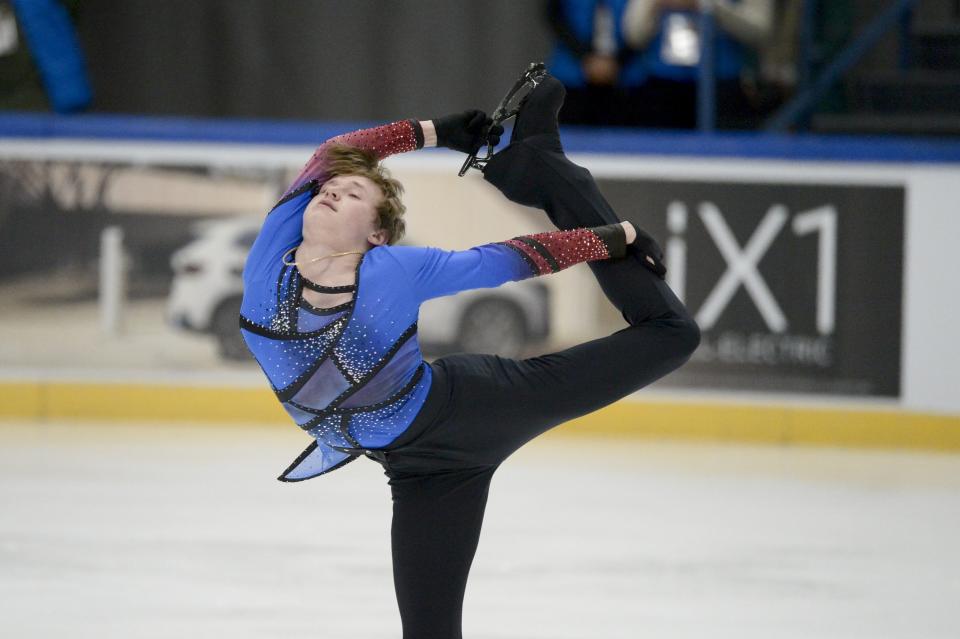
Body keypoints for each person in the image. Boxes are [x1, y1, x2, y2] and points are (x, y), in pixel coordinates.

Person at [241, 75, 699, 639]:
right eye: (330, 190)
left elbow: (504, 261)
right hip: (417, 473)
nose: (332, 191)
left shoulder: (395, 271)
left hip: (476, 409)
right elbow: (333, 155)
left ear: (379, 234)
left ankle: (549, 172)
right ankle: (538, 161)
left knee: (673, 334)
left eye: (353, 194)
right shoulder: (270, 255)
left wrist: (616, 236)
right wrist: (435, 131)